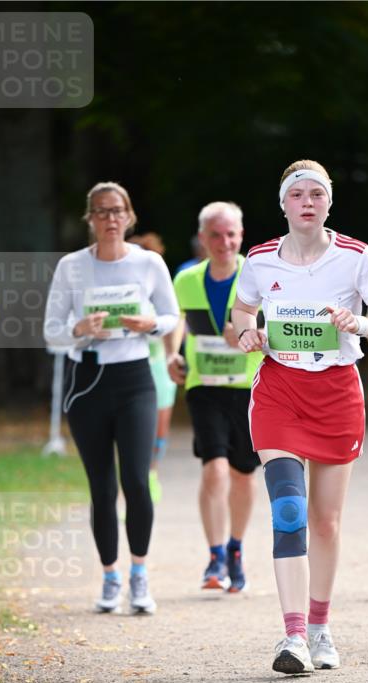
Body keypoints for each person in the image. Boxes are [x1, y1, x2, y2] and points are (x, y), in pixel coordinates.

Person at [232, 159, 368, 674]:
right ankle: (293, 637)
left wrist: (363, 322)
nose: (307, 202)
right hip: (280, 390)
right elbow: (241, 313)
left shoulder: (356, 257)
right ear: (283, 203)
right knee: (289, 510)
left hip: (335, 393)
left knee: (325, 521)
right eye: (298, 194)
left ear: (329, 203)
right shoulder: (261, 259)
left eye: (317, 195)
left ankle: (322, 625)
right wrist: (248, 332)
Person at [44, 181, 179, 614]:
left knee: (136, 481)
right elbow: (51, 330)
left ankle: (139, 574)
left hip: (136, 379)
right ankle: (109, 576)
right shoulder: (71, 267)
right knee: (101, 487)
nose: (110, 219)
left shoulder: (148, 263)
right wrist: (80, 330)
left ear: (130, 215)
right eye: (101, 212)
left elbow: (171, 314)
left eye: (117, 210)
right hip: (87, 382)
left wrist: (149, 324)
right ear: (90, 219)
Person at [166, 201, 260, 593]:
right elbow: (176, 320)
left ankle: (236, 549)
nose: (225, 243)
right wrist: (172, 352)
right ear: (203, 239)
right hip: (204, 387)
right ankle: (215, 554)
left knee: (242, 474)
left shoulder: (257, 277)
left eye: (232, 235)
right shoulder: (186, 279)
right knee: (214, 469)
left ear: (241, 236)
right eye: (216, 235)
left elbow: (276, 325)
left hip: (248, 388)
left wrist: (246, 335)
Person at [129, 232, 178, 503]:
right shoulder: (120, 293)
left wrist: (172, 356)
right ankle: (134, 487)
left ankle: (152, 473)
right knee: (134, 435)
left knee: (159, 433)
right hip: (131, 368)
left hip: (158, 367)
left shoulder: (159, 289)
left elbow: (173, 325)